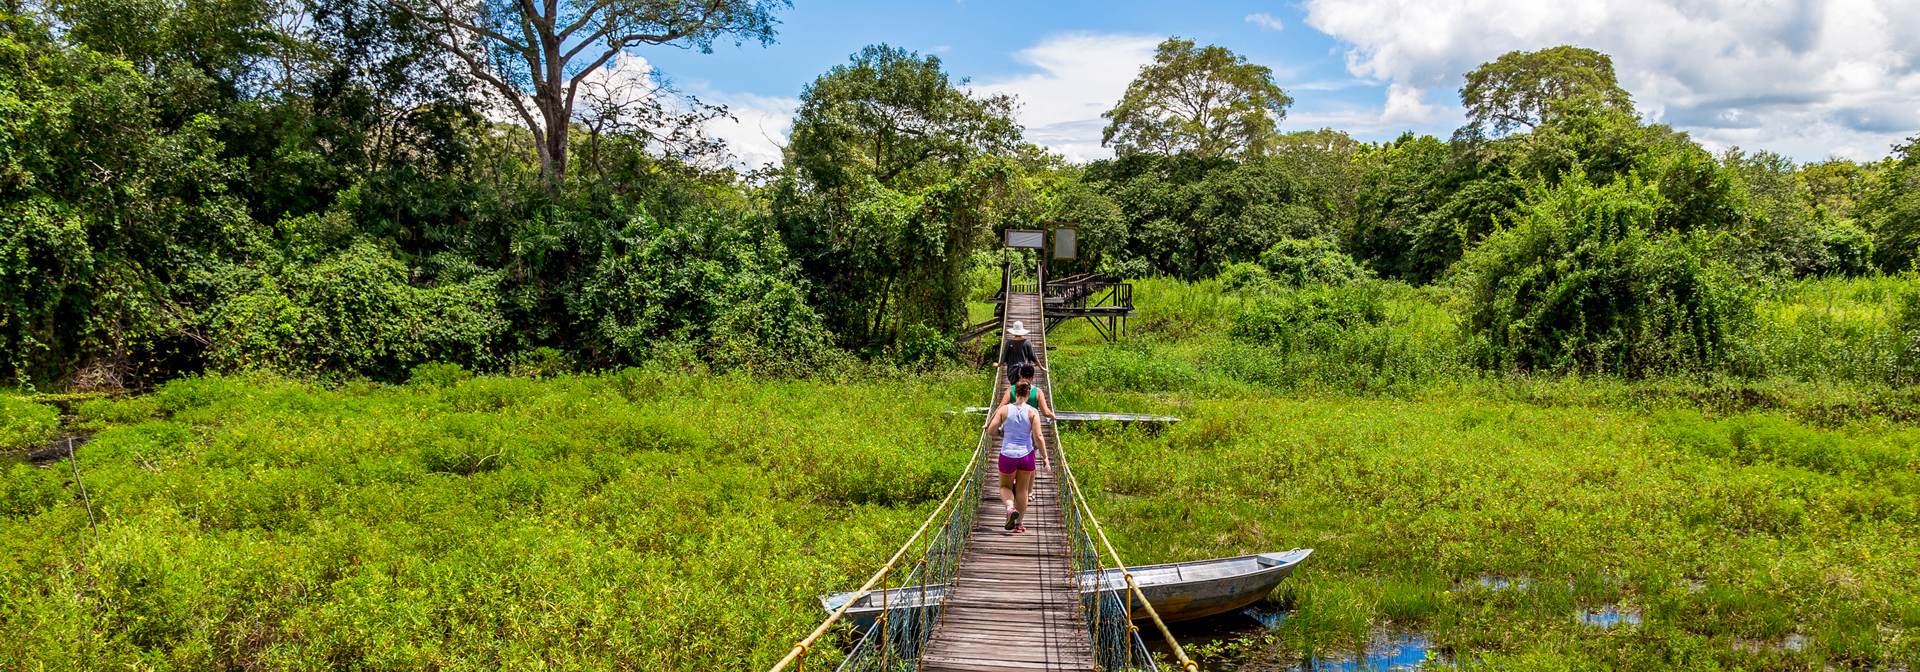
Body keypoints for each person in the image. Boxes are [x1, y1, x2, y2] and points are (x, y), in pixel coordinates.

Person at [983, 382, 1049, 533]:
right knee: (1022, 490)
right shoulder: (1033, 412)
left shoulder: (1004, 410)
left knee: (1005, 487)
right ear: (1028, 394)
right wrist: (1045, 457)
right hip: (1026, 455)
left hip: (1008, 454)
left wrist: (1004, 432)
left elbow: (991, 431)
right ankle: (1018, 524)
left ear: (1015, 393)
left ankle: (1010, 508)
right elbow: (1038, 436)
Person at [994, 321, 1046, 388]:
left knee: (1014, 388)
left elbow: (1004, 357)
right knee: (1026, 388)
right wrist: (1041, 367)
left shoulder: (1009, 343)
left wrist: (998, 365)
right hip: (1025, 370)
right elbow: (1034, 357)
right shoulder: (1027, 342)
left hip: (1012, 371)